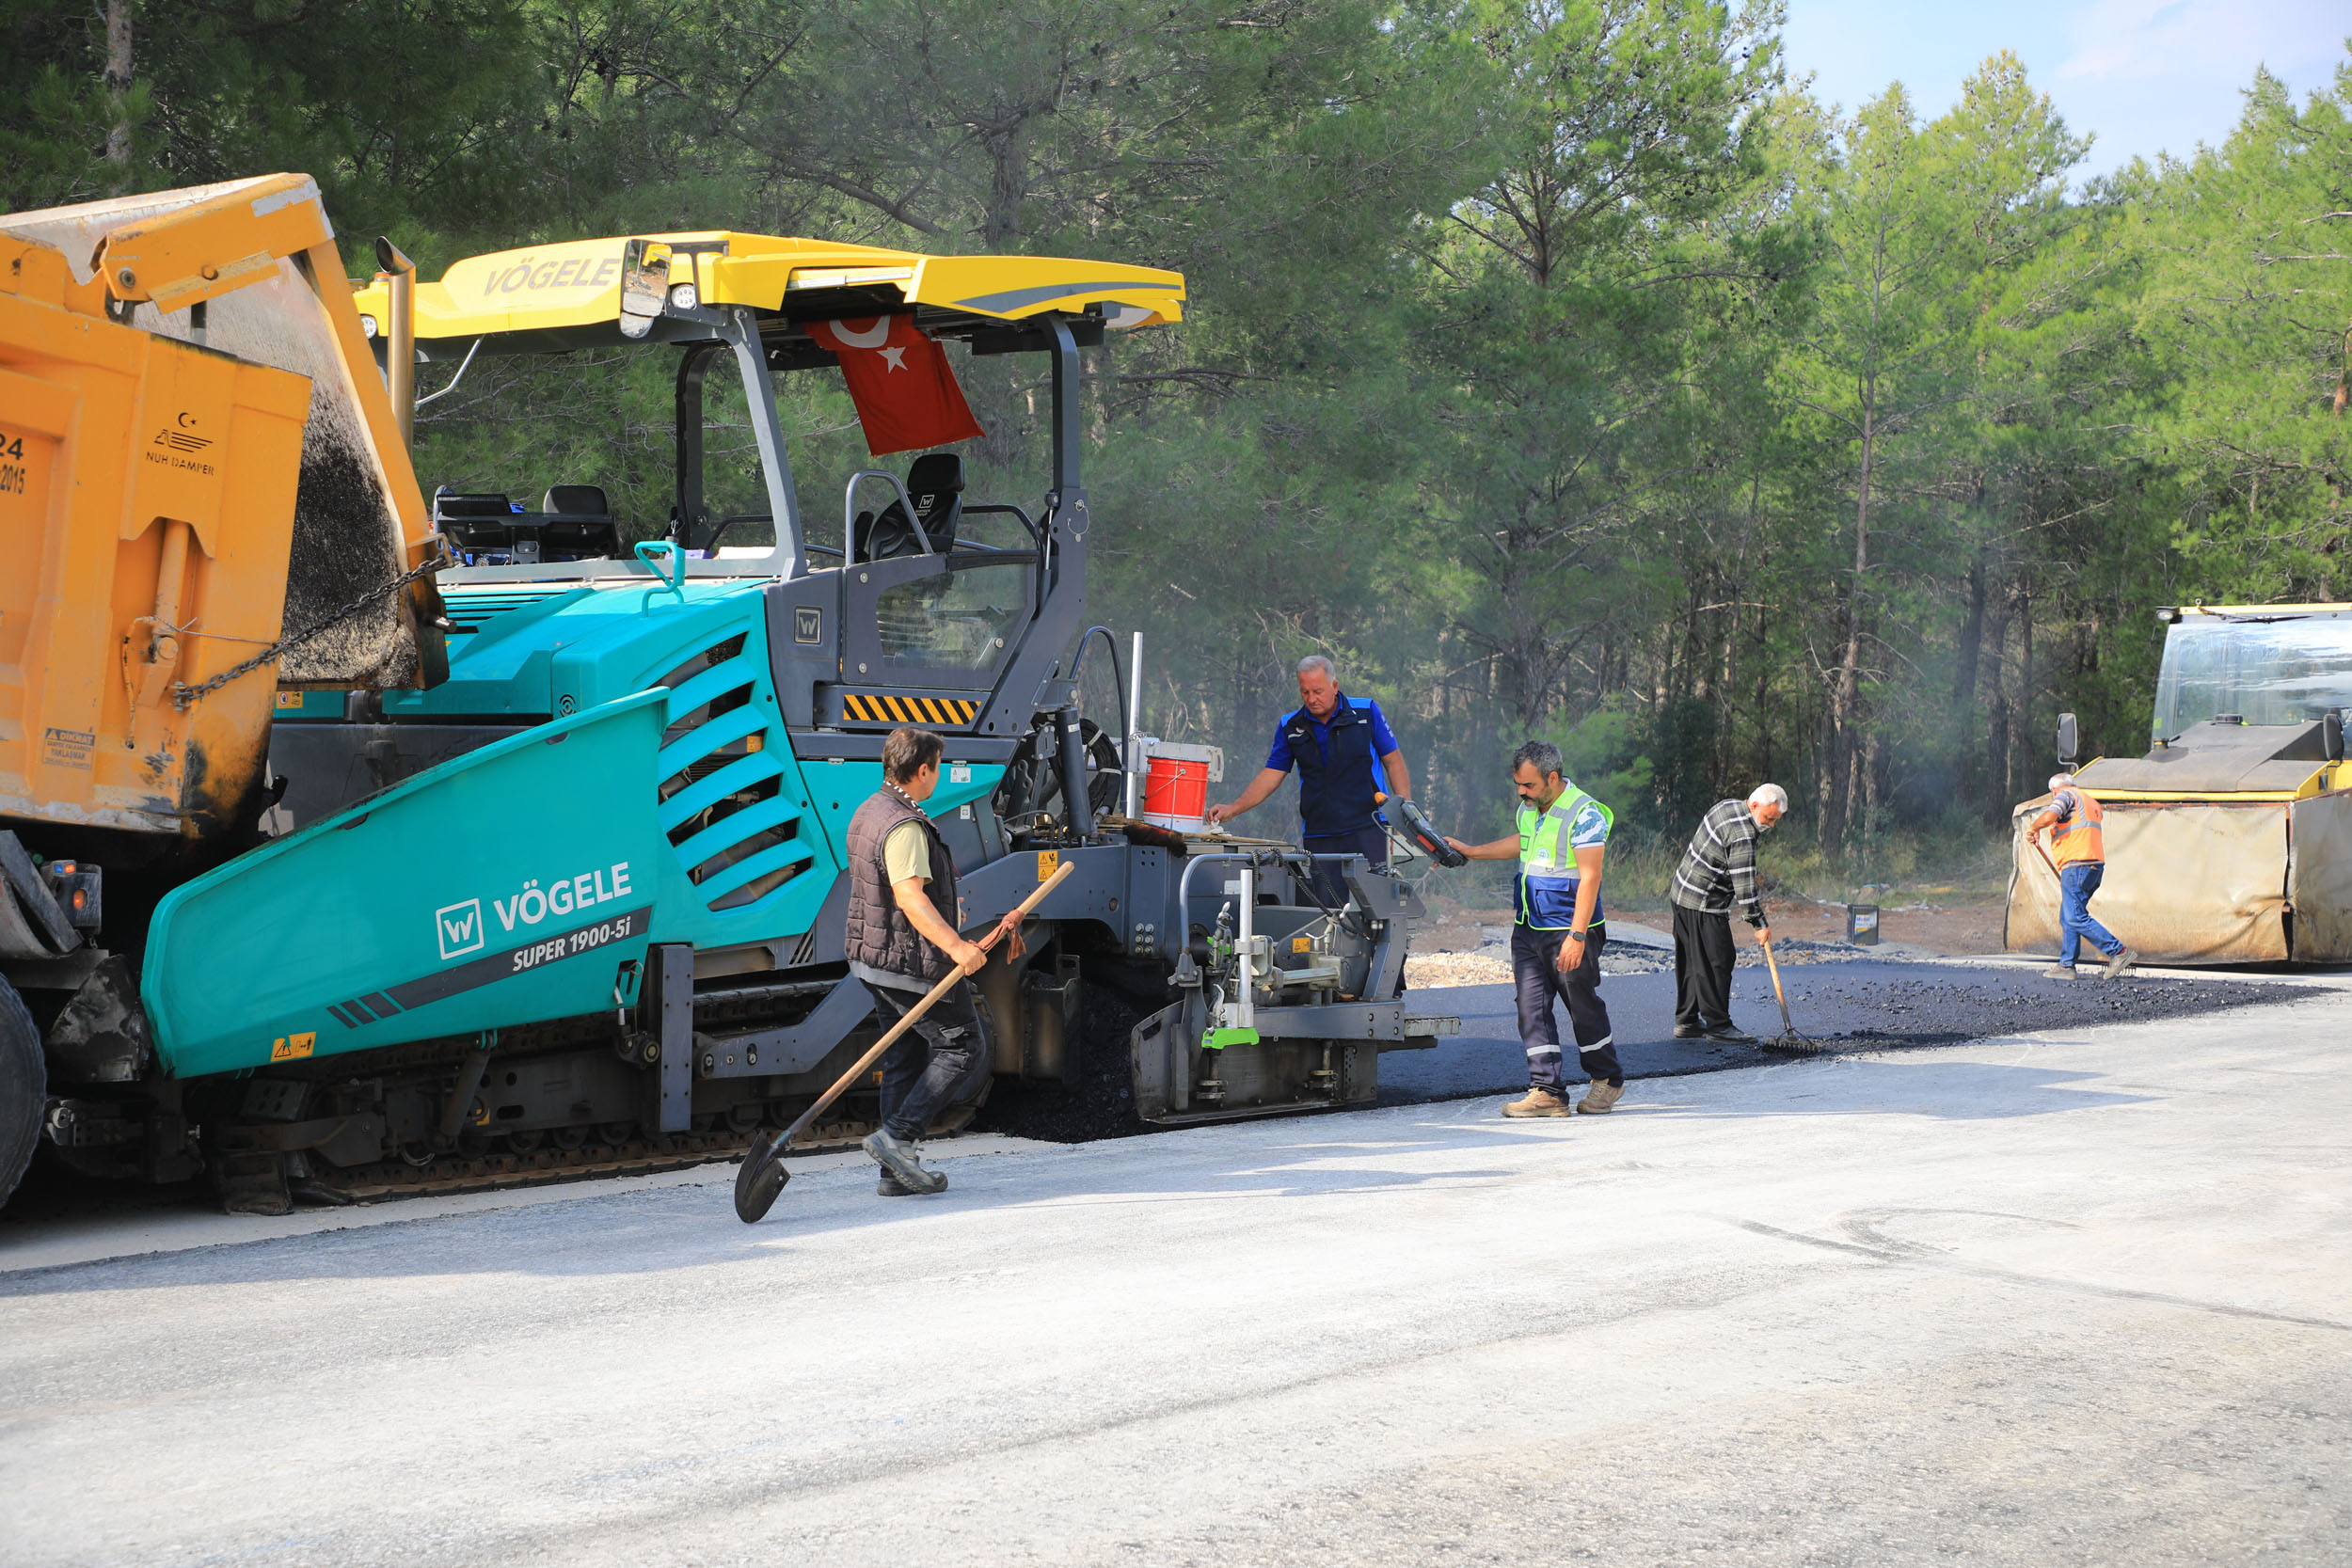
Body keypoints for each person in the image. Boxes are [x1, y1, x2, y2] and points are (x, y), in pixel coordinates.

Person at [844, 726, 1025, 1196]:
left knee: (904, 1053)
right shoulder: (903, 825)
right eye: (938, 766)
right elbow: (910, 898)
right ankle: (897, 1137)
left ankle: (894, 1174)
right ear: (922, 770)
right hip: (908, 962)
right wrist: (957, 947)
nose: (939, 774)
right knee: (965, 1047)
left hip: (872, 957)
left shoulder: (870, 810)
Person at [1444, 741, 1626, 1117]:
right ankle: (1548, 1092)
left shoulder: (1585, 813)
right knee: (1531, 1010)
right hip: (1528, 927)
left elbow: (1591, 876)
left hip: (1570, 929)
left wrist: (1577, 936)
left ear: (1553, 778)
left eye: (1527, 785)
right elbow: (1522, 844)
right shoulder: (1530, 810)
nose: (1521, 792)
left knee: (1583, 1007)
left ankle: (1607, 1081)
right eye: (1518, 785)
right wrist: (1472, 851)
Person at [1206, 655, 1412, 908]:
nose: (1312, 699)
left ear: (1334, 687)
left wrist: (1404, 813)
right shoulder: (1290, 725)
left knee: (1375, 907)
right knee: (1329, 909)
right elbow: (1272, 774)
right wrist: (1233, 808)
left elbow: (1393, 761)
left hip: (1368, 827)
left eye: (1318, 691)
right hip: (1320, 833)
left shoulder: (1366, 711)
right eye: (1305, 692)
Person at [1669, 784, 1788, 1045]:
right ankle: (1719, 1026)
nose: (1771, 825)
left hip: (1681, 892)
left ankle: (1687, 1021)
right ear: (1755, 806)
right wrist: (1759, 923)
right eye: (1769, 818)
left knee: (1691, 959)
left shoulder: (1729, 806)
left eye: (1775, 820)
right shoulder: (1743, 834)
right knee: (1719, 960)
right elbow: (1744, 886)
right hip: (1703, 900)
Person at [2028, 772, 2135, 980]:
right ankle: (2067, 966)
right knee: (2069, 916)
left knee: (2074, 916)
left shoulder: (2066, 795)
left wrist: (2033, 827)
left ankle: (2119, 952)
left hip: (2076, 865)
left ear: (2054, 790)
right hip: (2094, 866)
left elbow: (2051, 816)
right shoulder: (2090, 802)